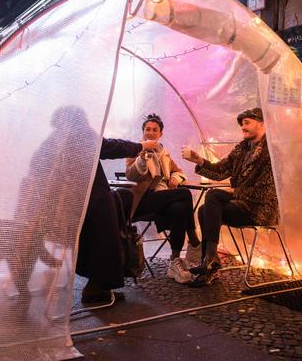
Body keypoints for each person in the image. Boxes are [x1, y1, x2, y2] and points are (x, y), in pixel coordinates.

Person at [181, 107, 278, 287]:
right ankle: (210, 264)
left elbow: (266, 191)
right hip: (241, 204)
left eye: (247, 122)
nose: (243, 127)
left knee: (214, 195)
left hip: (260, 209)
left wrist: (236, 192)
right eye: (242, 124)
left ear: (262, 124)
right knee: (203, 210)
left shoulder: (271, 151)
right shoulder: (242, 148)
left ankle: (209, 261)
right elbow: (220, 171)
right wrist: (199, 161)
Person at [77, 136, 159, 303]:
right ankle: (97, 288)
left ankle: (99, 286)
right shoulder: (81, 138)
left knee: (118, 202)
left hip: (82, 200)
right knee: (104, 238)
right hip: (93, 200)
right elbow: (109, 147)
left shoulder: (57, 141)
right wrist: (140, 146)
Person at [125, 113, 200, 284]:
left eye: (155, 130)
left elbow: (179, 171)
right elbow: (130, 175)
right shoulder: (134, 150)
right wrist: (143, 158)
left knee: (179, 209)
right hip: (144, 201)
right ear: (143, 132)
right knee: (184, 194)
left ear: (160, 134)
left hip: (162, 200)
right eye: (147, 129)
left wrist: (175, 178)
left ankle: (174, 261)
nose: (151, 133)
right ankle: (193, 239)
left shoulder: (164, 153)